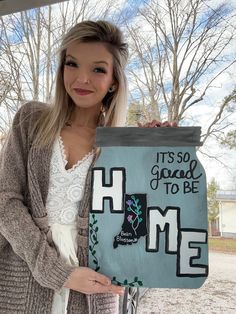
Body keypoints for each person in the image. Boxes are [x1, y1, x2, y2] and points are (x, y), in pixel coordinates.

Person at [0, 19, 176, 314]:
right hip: (21, 282)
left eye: (98, 69)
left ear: (114, 80)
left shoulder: (121, 147)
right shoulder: (30, 121)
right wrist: (60, 273)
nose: (81, 79)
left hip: (95, 292)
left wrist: (155, 160)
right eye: (72, 64)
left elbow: (135, 226)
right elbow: (6, 202)